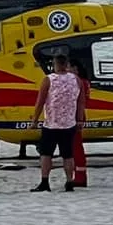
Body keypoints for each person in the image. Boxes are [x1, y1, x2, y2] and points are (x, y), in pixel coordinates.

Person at [30, 52, 83, 193]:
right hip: (69, 124)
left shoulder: (49, 79)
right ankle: (69, 181)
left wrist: (35, 119)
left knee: (46, 154)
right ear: (66, 65)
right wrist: (80, 120)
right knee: (68, 154)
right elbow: (80, 102)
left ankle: (45, 181)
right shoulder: (76, 80)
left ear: (55, 65)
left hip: (51, 124)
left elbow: (40, 101)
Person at [68, 56, 91, 190]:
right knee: (75, 147)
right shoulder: (84, 82)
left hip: (75, 116)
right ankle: (79, 174)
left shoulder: (78, 83)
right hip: (78, 115)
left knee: (75, 148)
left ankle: (80, 176)